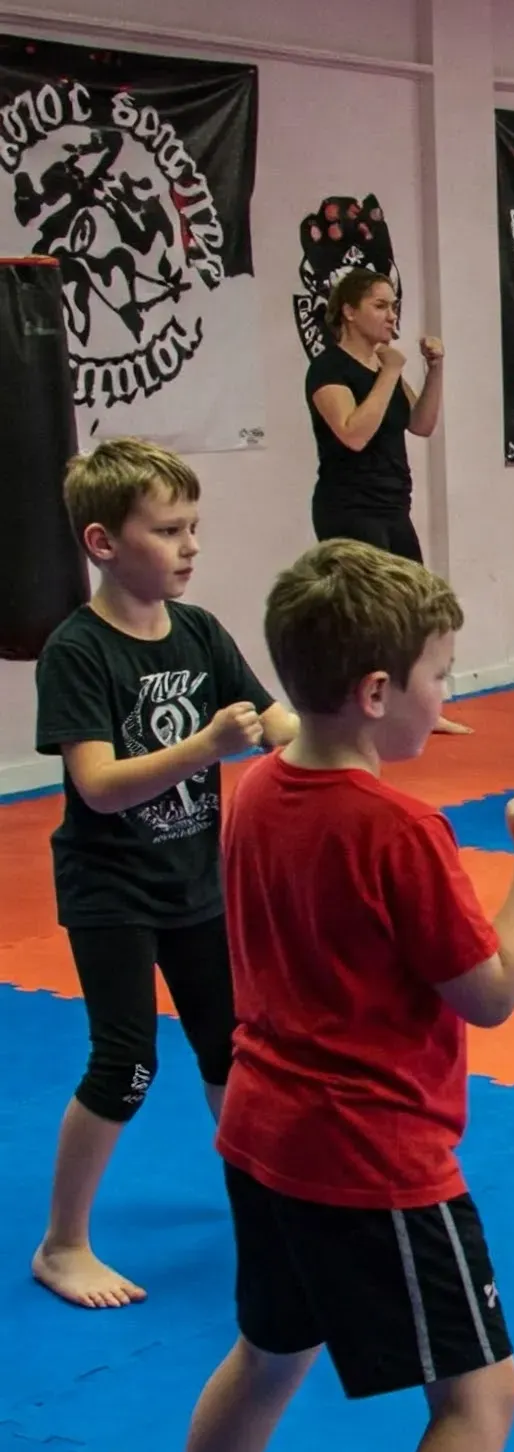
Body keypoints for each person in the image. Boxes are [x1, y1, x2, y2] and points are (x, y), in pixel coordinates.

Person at [139, 539, 514, 1452]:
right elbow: (486, 992)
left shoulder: (259, 786)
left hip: (263, 1128)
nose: (450, 695)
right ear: (378, 691)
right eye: (440, 673)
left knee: (272, 1346)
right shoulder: (397, 827)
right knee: (479, 1393)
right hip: (371, 1155)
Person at [31, 439, 296, 1310]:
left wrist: (340, 721)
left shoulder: (200, 630)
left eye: (194, 528)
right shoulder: (78, 649)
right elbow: (99, 788)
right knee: (126, 1063)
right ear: (104, 542)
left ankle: (257, 1194)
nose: (190, 547)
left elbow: (271, 720)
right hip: (111, 888)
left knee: (230, 1043)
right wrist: (205, 747)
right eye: (169, 530)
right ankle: (62, 1244)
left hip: (194, 877)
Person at [306, 267, 469, 735]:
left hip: (393, 504)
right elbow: (354, 433)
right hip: (348, 506)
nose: (390, 314)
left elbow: (421, 423)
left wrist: (433, 370)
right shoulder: (328, 369)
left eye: (393, 305)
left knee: (414, 608)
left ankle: (413, 708)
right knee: (365, 618)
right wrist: (392, 369)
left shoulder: (385, 370)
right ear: (349, 311)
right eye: (380, 305)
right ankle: (354, 715)